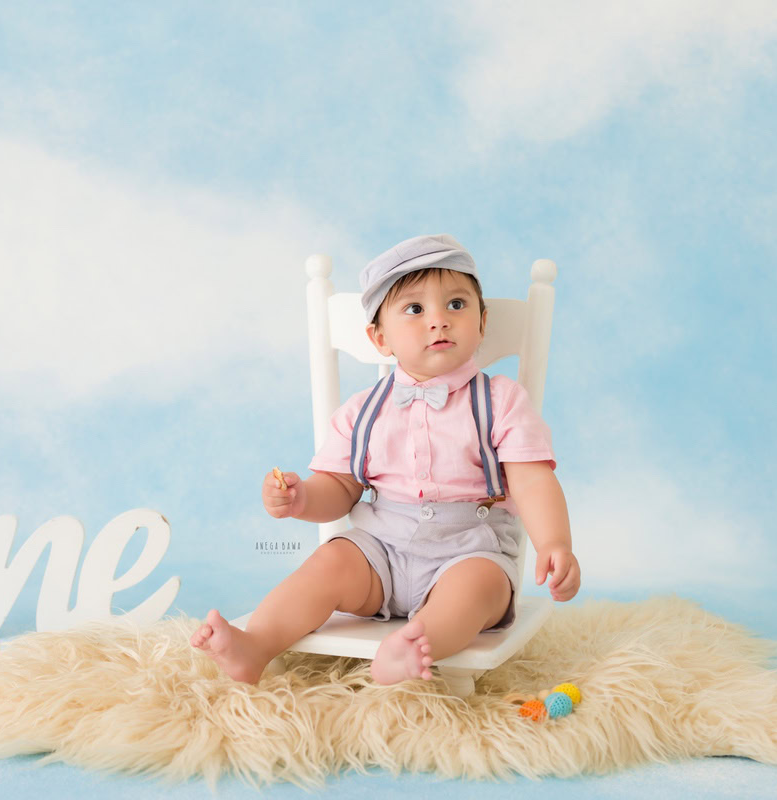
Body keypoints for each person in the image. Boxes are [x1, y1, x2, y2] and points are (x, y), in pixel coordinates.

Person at [191, 233, 580, 685]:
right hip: (380, 552)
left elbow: (532, 481)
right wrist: (302, 499)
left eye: (456, 305)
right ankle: (255, 644)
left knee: (477, 589)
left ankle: (412, 646)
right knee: (330, 562)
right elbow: (339, 487)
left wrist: (555, 543)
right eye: (414, 309)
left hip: (470, 548)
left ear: (482, 322)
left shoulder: (501, 401)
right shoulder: (361, 411)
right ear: (380, 338)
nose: (439, 321)